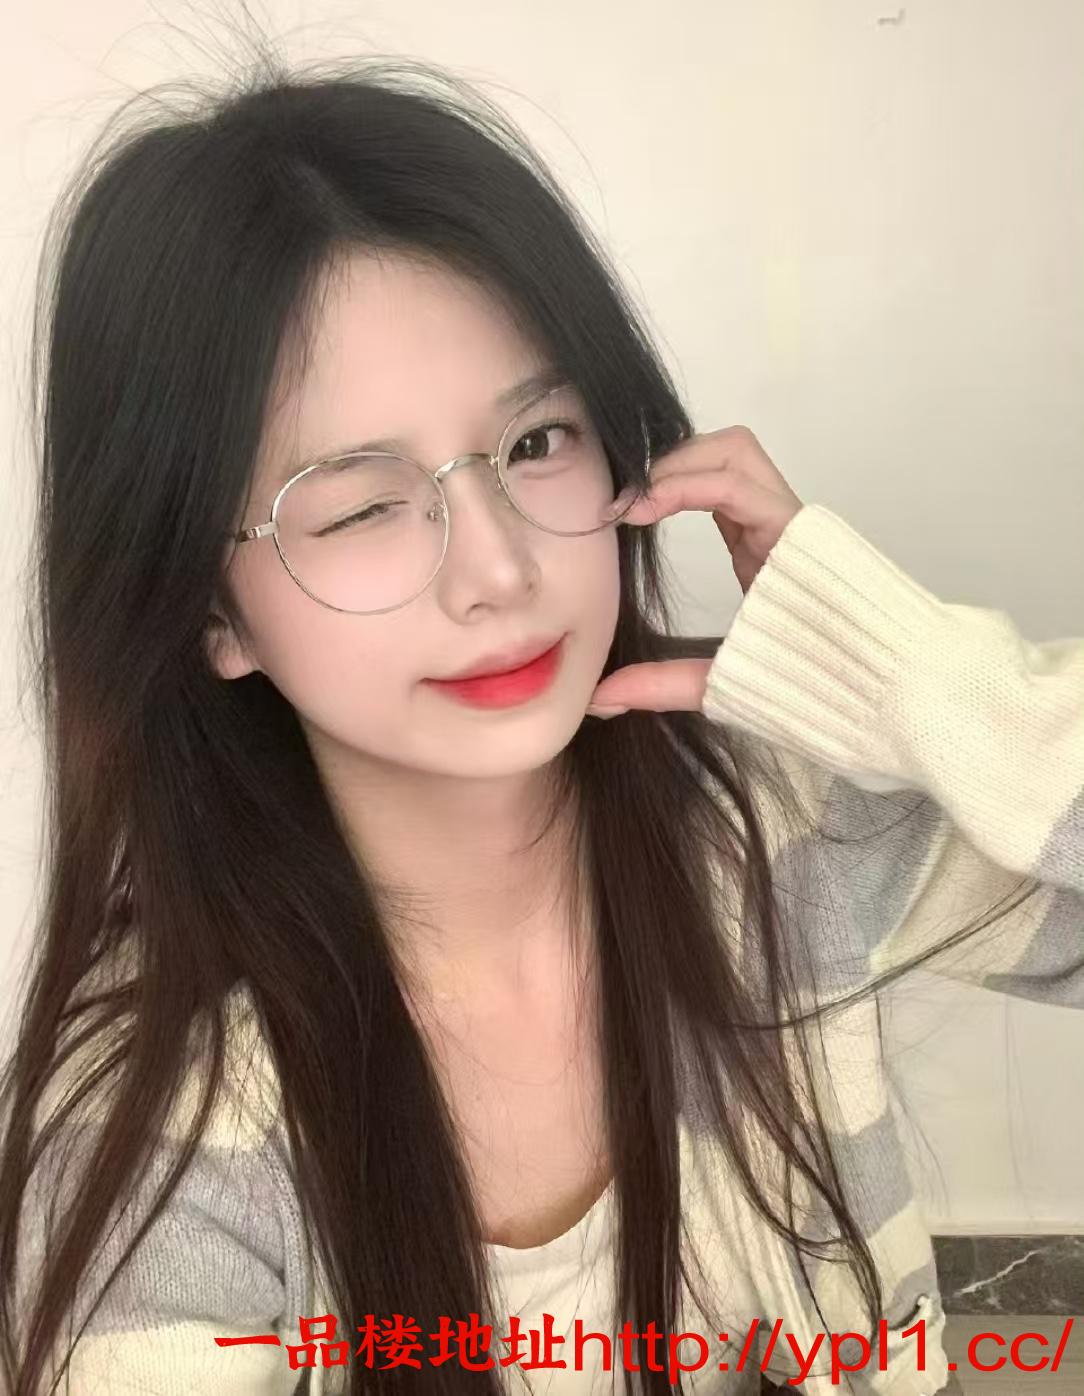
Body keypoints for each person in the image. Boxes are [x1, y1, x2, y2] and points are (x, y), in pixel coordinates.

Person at [0, 48, 1080, 1396]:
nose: (501, 572)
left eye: (534, 444)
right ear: (209, 614)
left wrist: (910, 674)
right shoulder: (167, 1136)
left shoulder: (777, 834)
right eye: (362, 506)